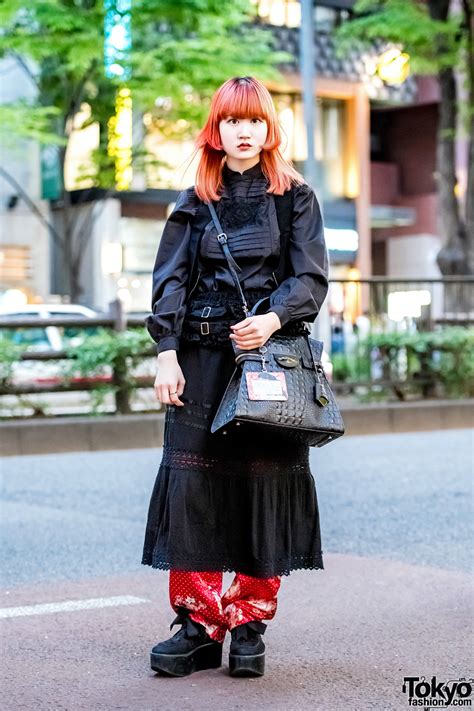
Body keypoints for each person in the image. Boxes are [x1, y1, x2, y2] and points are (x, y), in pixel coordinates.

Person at [142, 76, 329, 678]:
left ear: (268, 127)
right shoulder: (194, 200)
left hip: (266, 362)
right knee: (192, 487)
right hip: (198, 359)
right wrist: (166, 352)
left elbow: (310, 279)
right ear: (215, 130)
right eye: (230, 121)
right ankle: (197, 625)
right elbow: (169, 280)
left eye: (252, 120)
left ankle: (248, 623)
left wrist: (272, 318)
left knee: (262, 483)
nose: (242, 131)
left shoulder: (294, 196)